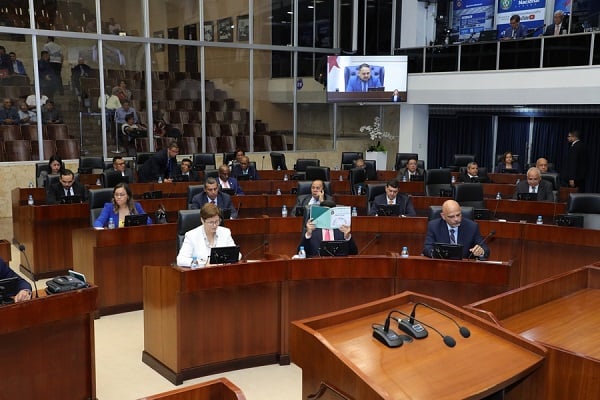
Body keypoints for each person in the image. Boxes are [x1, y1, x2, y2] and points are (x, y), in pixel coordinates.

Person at [176, 203, 239, 267]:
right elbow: (181, 260)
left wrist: (224, 261)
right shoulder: (191, 235)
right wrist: (203, 264)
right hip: (201, 273)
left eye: (217, 221)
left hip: (222, 272)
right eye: (211, 222)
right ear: (202, 220)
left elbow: (237, 255)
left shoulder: (225, 232)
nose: (214, 225)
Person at [423, 199, 489, 259]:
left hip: (464, 267)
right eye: (451, 216)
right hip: (441, 265)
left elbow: (484, 248)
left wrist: (481, 251)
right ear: (443, 216)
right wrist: (436, 254)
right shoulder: (434, 226)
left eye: (458, 215)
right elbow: (427, 248)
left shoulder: (472, 227)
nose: (456, 219)